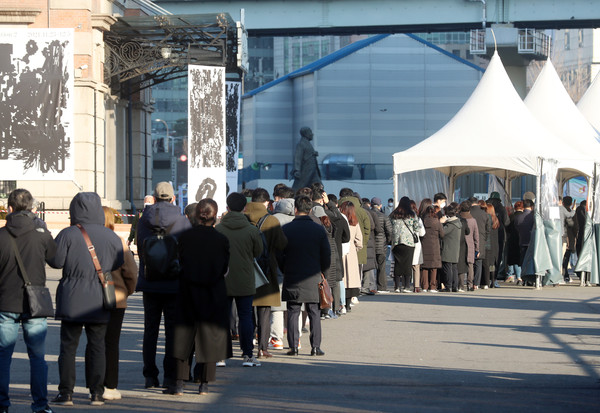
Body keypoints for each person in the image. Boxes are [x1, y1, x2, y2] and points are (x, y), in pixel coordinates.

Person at [49, 192, 124, 407]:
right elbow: (117, 262)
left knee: (68, 347)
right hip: (100, 297)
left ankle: (66, 393)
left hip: (72, 296)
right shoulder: (111, 236)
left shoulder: (68, 234)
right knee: (98, 346)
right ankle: (97, 394)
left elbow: (56, 262)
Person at [0, 189, 56, 413]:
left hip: (5, 302)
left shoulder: (1, 236)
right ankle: (40, 405)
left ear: (9, 209)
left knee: (3, 356)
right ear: (32, 208)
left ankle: (2, 404)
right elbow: (56, 260)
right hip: (36, 304)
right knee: (37, 357)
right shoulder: (41, 233)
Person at [172, 199, 232, 396]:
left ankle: (179, 382)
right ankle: (203, 383)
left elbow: (180, 260)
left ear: (197, 215)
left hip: (187, 289)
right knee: (209, 337)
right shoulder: (221, 239)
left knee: (183, 335)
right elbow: (224, 267)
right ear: (215, 216)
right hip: (213, 291)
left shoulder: (185, 237)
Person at [136, 182, 191, 391]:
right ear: (173, 198)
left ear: (155, 197)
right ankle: (170, 377)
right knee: (172, 332)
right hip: (174, 282)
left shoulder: (143, 221)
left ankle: (150, 376)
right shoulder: (182, 220)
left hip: (150, 281)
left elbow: (141, 247)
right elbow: (186, 251)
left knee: (150, 330)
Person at [216, 192, 263, 367]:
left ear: (227, 207)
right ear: (244, 208)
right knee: (245, 317)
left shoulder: (219, 229)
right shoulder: (252, 230)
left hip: (223, 278)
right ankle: (247, 355)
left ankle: (220, 355)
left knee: (222, 316)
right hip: (245, 278)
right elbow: (258, 252)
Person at [280, 195, 331, 356]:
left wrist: (285, 268)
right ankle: (315, 347)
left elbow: (279, 254)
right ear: (310, 210)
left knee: (293, 311)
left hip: (293, 275)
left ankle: (293, 347)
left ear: (295, 209)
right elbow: (326, 255)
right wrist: (322, 271)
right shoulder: (318, 229)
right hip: (313, 275)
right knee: (314, 311)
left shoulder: (286, 229)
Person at [245, 188, 287, 359]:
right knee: (264, 310)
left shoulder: (242, 218)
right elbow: (282, 244)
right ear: (266, 202)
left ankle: (248, 346)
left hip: (245, 269)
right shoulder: (271, 220)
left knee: (246, 311)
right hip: (266, 270)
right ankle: (263, 348)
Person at [101, 207, 137, 401]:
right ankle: (110, 385)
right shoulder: (118, 241)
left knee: (94, 341)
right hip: (116, 297)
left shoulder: (87, 239)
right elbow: (131, 272)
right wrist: (127, 291)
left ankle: (95, 383)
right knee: (112, 343)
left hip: (92, 298)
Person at [390, 197, 420, 293]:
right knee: (407, 264)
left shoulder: (394, 213)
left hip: (396, 242)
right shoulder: (412, 214)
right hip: (409, 242)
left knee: (397, 264)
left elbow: (389, 225)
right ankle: (406, 286)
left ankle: (397, 286)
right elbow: (416, 227)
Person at [419, 200, 445, 292]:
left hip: (424, 245)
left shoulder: (422, 220)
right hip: (435, 246)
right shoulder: (437, 222)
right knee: (434, 267)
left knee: (424, 267)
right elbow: (442, 234)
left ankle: (424, 286)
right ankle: (433, 286)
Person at [371, 197, 392, 293]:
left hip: (370, 245)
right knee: (381, 267)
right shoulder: (384, 216)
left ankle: (369, 286)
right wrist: (388, 242)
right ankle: (381, 287)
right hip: (381, 245)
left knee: (369, 268)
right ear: (380, 206)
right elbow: (389, 231)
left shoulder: (368, 214)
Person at [470, 197, 490, 290]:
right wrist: (484, 239)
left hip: (469, 240)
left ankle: (469, 281)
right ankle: (476, 283)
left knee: (469, 262)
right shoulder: (485, 214)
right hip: (481, 240)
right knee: (479, 262)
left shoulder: (468, 213)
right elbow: (488, 229)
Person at [441, 204, 462, 292]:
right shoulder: (458, 222)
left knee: (448, 267)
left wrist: (441, 223)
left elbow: (442, 233)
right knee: (454, 268)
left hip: (448, 248)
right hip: (455, 248)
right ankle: (455, 286)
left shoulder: (450, 224)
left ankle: (449, 286)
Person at [459, 201, 479, 291]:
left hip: (460, 244)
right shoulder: (473, 220)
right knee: (470, 265)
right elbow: (476, 235)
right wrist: (477, 248)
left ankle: (460, 284)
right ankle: (470, 284)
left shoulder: (459, 218)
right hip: (470, 244)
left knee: (461, 264)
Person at [559, 196, 577, 283]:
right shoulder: (568, 211)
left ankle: (564, 274)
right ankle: (564, 274)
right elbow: (573, 224)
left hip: (561, 236)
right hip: (567, 237)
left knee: (562, 257)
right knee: (565, 257)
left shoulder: (559, 209)